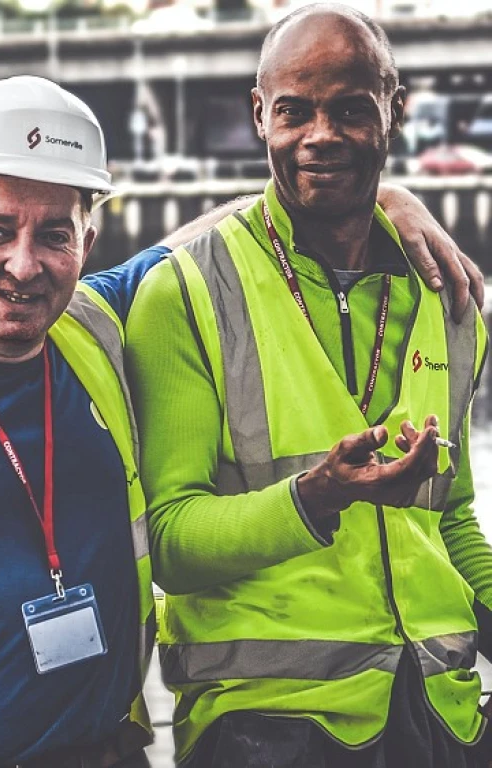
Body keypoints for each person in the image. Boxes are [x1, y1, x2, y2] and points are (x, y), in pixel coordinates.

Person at [0, 73, 481, 768]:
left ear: (86, 244)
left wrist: (380, 197)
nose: (26, 264)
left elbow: (225, 232)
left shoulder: (95, 330)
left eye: (54, 233)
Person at [125, 5, 492, 768]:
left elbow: (451, 516)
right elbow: (171, 543)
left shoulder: (448, 297)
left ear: (395, 111)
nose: (321, 135)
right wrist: (317, 496)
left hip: (441, 715)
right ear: (260, 115)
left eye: (352, 110)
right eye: (295, 111)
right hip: (267, 727)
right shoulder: (187, 292)